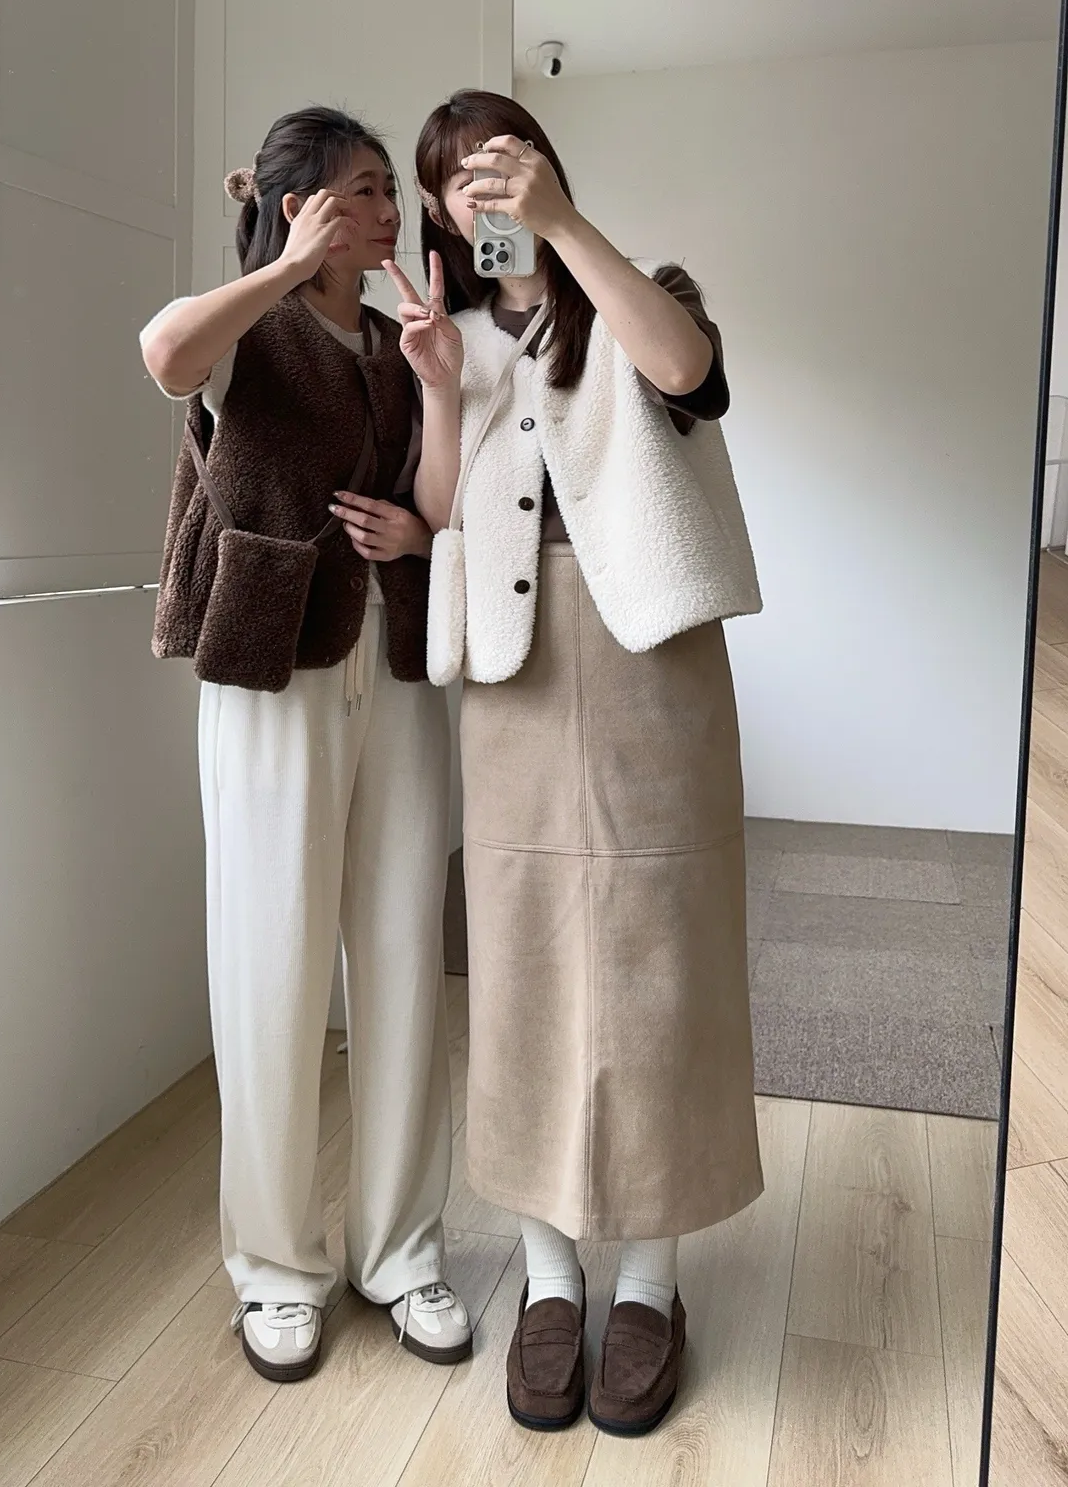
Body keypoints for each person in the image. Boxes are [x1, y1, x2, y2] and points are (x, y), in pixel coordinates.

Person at [386, 88, 763, 1437]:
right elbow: (441, 511)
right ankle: (551, 1277)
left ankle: (652, 1282)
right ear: (437, 210)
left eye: (505, 161)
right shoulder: (449, 334)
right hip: (513, 668)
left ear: (544, 166)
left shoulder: (633, 284)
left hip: (651, 656)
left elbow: (691, 375)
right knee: (524, 956)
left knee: (666, 953)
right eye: (456, 177)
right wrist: (440, 387)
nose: (482, 189)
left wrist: (564, 229)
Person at [140, 106, 471, 1384]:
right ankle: (276, 1271)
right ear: (302, 208)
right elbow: (165, 354)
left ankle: (403, 1250)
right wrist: (280, 268)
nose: (391, 213)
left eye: (390, 190)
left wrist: (437, 396)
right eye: (367, 189)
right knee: (271, 967)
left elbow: (434, 503)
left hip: (392, 664)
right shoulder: (251, 328)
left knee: (401, 959)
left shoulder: (397, 340)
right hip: (271, 666)